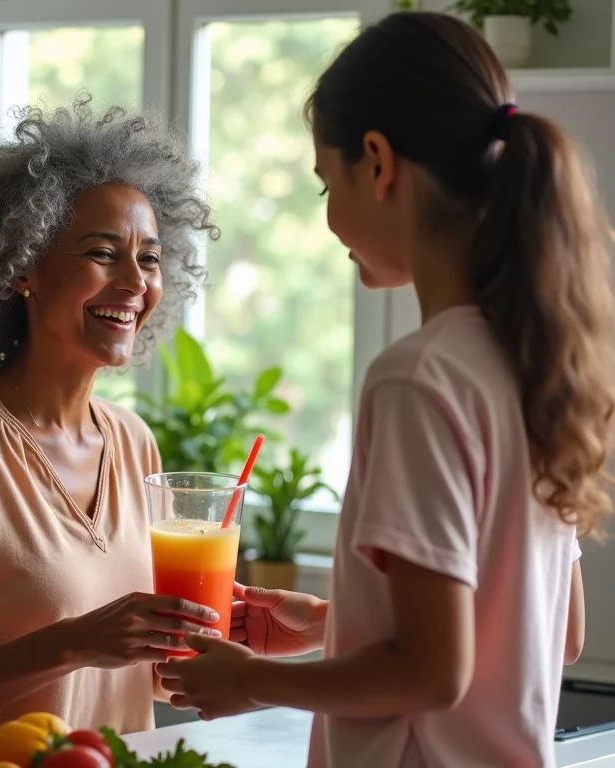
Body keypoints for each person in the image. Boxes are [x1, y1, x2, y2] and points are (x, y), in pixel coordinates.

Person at [157, 11, 614, 767]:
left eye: (323, 183)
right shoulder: (536, 366)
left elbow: (434, 673)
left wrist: (256, 680)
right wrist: (331, 624)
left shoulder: (416, 379)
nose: (330, 215)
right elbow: (554, 634)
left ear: (377, 163)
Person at [0, 98, 224, 735]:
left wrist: (220, 635)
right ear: (22, 267)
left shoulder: (135, 444)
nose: (136, 281)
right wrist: (71, 643)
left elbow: (146, 676)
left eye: (151, 257)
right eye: (103, 253)